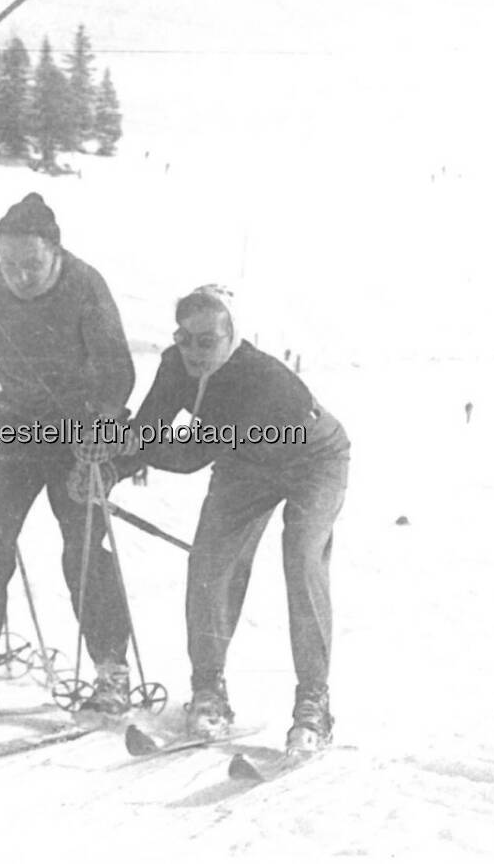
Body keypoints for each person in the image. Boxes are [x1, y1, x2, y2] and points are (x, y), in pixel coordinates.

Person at [107, 285, 352, 754]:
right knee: (210, 563)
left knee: (301, 558)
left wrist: (130, 450)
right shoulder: (175, 364)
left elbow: (189, 455)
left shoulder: (262, 380)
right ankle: (208, 690)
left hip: (313, 459)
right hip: (246, 464)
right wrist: (111, 466)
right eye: (185, 338)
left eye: (207, 340)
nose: (193, 351)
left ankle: (313, 704)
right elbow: (150, 428)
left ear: (231, 336)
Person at [0, 193, 136, 719]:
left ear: (56, 254)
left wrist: (99, 424)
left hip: (78, 433)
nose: (20, 276)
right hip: (13, 429)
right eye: (9, 264)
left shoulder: (85, 287)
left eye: (32, 265)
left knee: (84, 547)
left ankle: (112, 671)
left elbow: (117, 370)